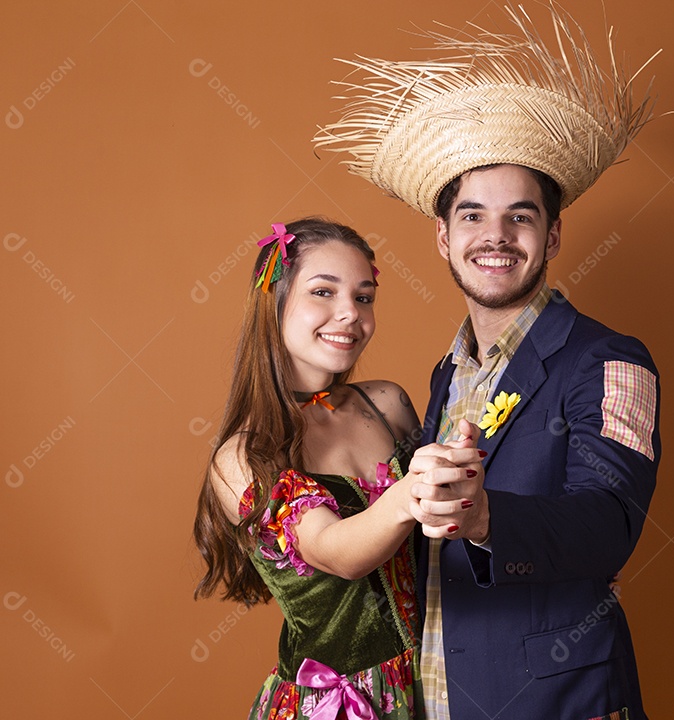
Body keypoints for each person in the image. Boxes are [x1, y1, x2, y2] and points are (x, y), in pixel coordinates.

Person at [315, 6, 662, 718]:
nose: (494, 236)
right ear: (443, 237)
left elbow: (608, 526)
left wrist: (484, 519)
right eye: (472, 215)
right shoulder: (446, 376)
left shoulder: (612, 361)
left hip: (560, 700)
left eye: (520, 216)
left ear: (553, 233)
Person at [192, 217, 482, 719]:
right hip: (341, 704)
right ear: (274, 301)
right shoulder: (241, 457)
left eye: (364, 297)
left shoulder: (386, 403)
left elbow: (444, 544)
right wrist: (412, 488)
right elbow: (335, 553)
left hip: (440, 678)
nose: (349, 313)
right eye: (323, 292)